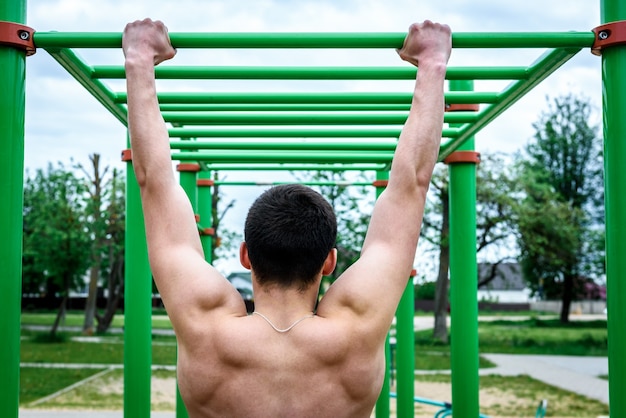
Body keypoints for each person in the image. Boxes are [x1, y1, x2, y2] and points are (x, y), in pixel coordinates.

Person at [122, 18, 451, 418]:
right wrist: (432, 64)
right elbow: (410, 185)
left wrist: (139, 60)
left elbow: (153, 183)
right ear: (329, 261)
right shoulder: (356, 327)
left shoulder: (206, 325)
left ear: (246, 255)